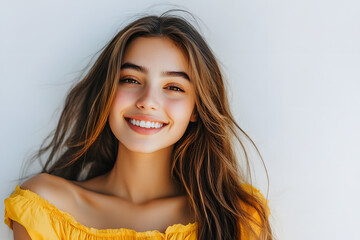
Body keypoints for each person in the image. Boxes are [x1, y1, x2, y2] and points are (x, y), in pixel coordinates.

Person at [4, 10, 272, 240]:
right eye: (131, 80)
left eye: (174, 87)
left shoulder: (236, 216)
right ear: (107, 92)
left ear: (196, 109)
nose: (148, 101)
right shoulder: (45, 207)